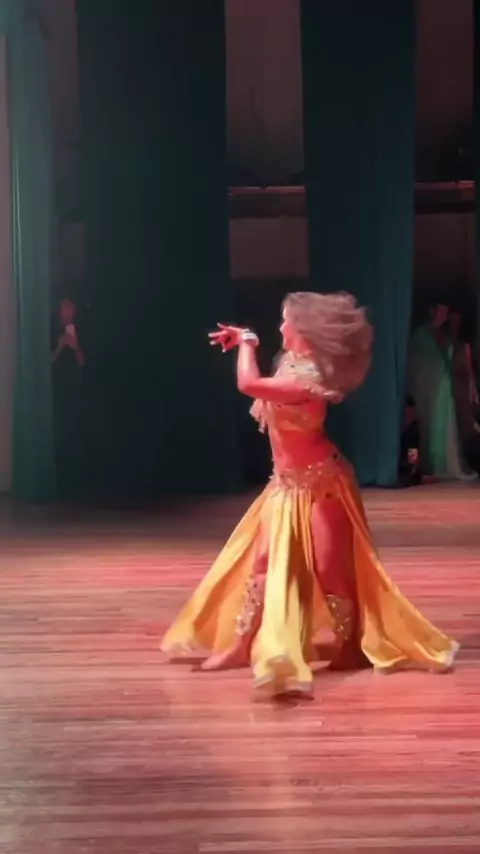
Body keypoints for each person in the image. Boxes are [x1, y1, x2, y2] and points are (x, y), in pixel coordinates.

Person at [161, 292, 458, 698]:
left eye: (286, 320)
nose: (280, 327)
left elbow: (248, 384)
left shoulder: (310, 376)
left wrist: (247, 342)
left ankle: (350, 646)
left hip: (323, 483)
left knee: (328, 567)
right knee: (261, 564)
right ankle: (241, 645)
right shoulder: (289, 362)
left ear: (303, 328)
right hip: (285, 484)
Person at [408, 302, 476, 481]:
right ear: (432, 311)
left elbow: (459, 364)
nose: (443, 315)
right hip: (429, 387)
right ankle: (429, 464)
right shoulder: (422, 334)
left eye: (445, 312)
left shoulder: (447, 336)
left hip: (445, 387)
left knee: (443, 423)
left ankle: (440, 462)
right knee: (428, 423)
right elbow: (418, 362)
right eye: (440, 311)